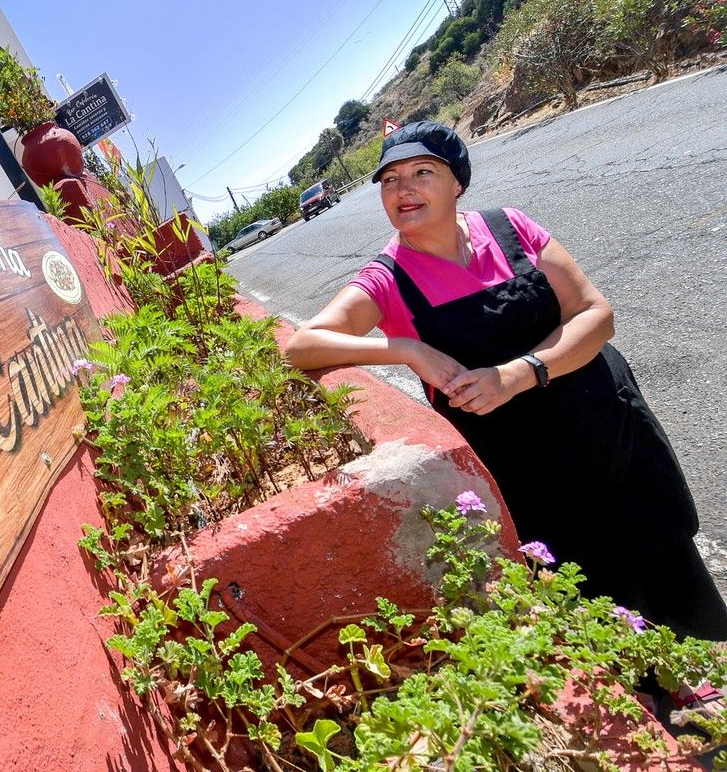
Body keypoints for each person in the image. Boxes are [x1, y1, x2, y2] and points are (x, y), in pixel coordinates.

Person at [286, 122, 727, 654]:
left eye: (423, 172)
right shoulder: (389, 277)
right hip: (530, 474)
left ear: (457, 183)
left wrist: (521, 373)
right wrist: (406, 349)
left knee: (675, 568)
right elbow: (301, 346)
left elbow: (595, 313)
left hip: (609, 429)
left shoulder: (511, 228)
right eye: (390, 180)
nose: (404, 190)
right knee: (597, 601)